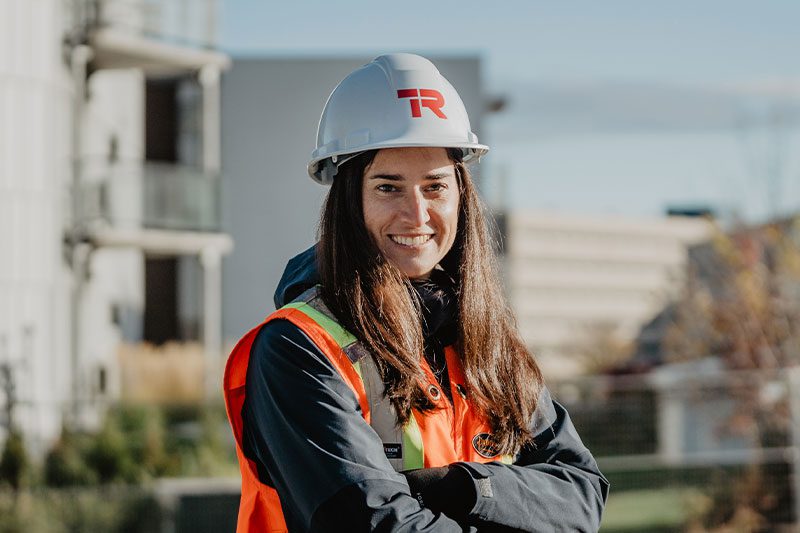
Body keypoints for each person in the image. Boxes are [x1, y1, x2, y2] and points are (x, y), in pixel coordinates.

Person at [224, 53, 609, 532]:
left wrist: (464, 487)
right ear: (349, 200)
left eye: (434, 187)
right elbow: (373, 523)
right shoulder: (297, 349)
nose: (417, 214)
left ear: (460, 195)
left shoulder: (486, 339)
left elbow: (582, 495)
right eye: (388, 187)